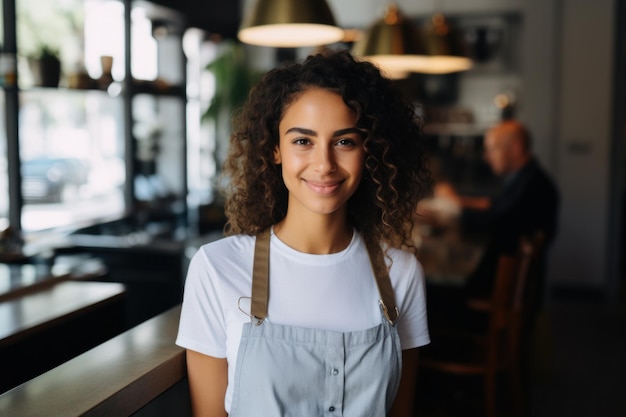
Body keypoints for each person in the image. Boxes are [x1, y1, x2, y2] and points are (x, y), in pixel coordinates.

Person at [176, 49, 433, 417]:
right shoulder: (217, 269)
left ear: (368, 151)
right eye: (303, 141)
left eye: (345, 141)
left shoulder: (401, 274)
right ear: (275, 149)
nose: (324, 164)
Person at [428, 119, 559, 329]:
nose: (486, 157)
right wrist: (458, 201)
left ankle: (445, 354)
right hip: (507, 280)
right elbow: (495, 206)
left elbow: (494, 221)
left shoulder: (533, 185)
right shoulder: (527, 177)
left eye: (492, 150)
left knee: (435, 293)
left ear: (515, 148)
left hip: (501, 289)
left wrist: (453, 207)